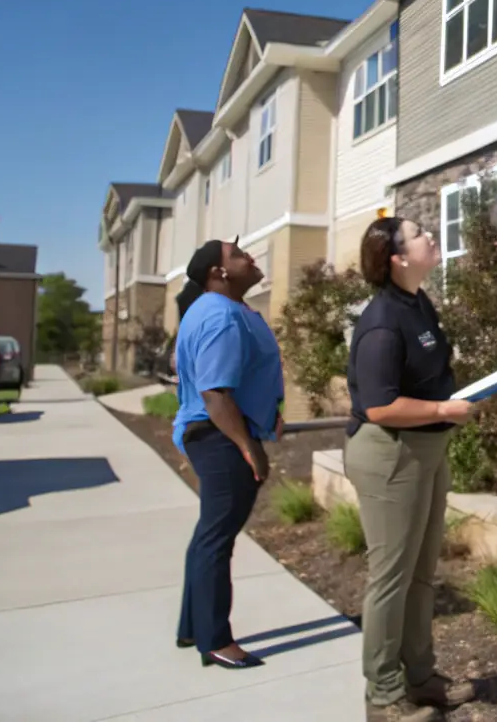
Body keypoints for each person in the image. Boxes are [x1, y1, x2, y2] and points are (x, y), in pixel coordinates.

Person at [344, 214, 479, 721]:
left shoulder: (418, 303)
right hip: (390, 454)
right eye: (420, 234)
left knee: (422, 574)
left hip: (427, 449)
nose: (431, 237)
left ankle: (420, 678)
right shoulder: (382, 322)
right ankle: (383, 697)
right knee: (391, 579)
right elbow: (379, 406)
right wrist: (444, 409)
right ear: (398, 258)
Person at [172, 237, 284, 669]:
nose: (249, 257)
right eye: (237, 255)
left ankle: (193, 626)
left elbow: (243, 377)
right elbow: (215, 393)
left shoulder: (227, 309)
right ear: (217, 273)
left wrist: (268, 415)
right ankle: (215, 640)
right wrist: (248, 447)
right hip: (218, 436)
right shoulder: (220, 316)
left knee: (209, 533)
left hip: (217, 432)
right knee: (216, 539)